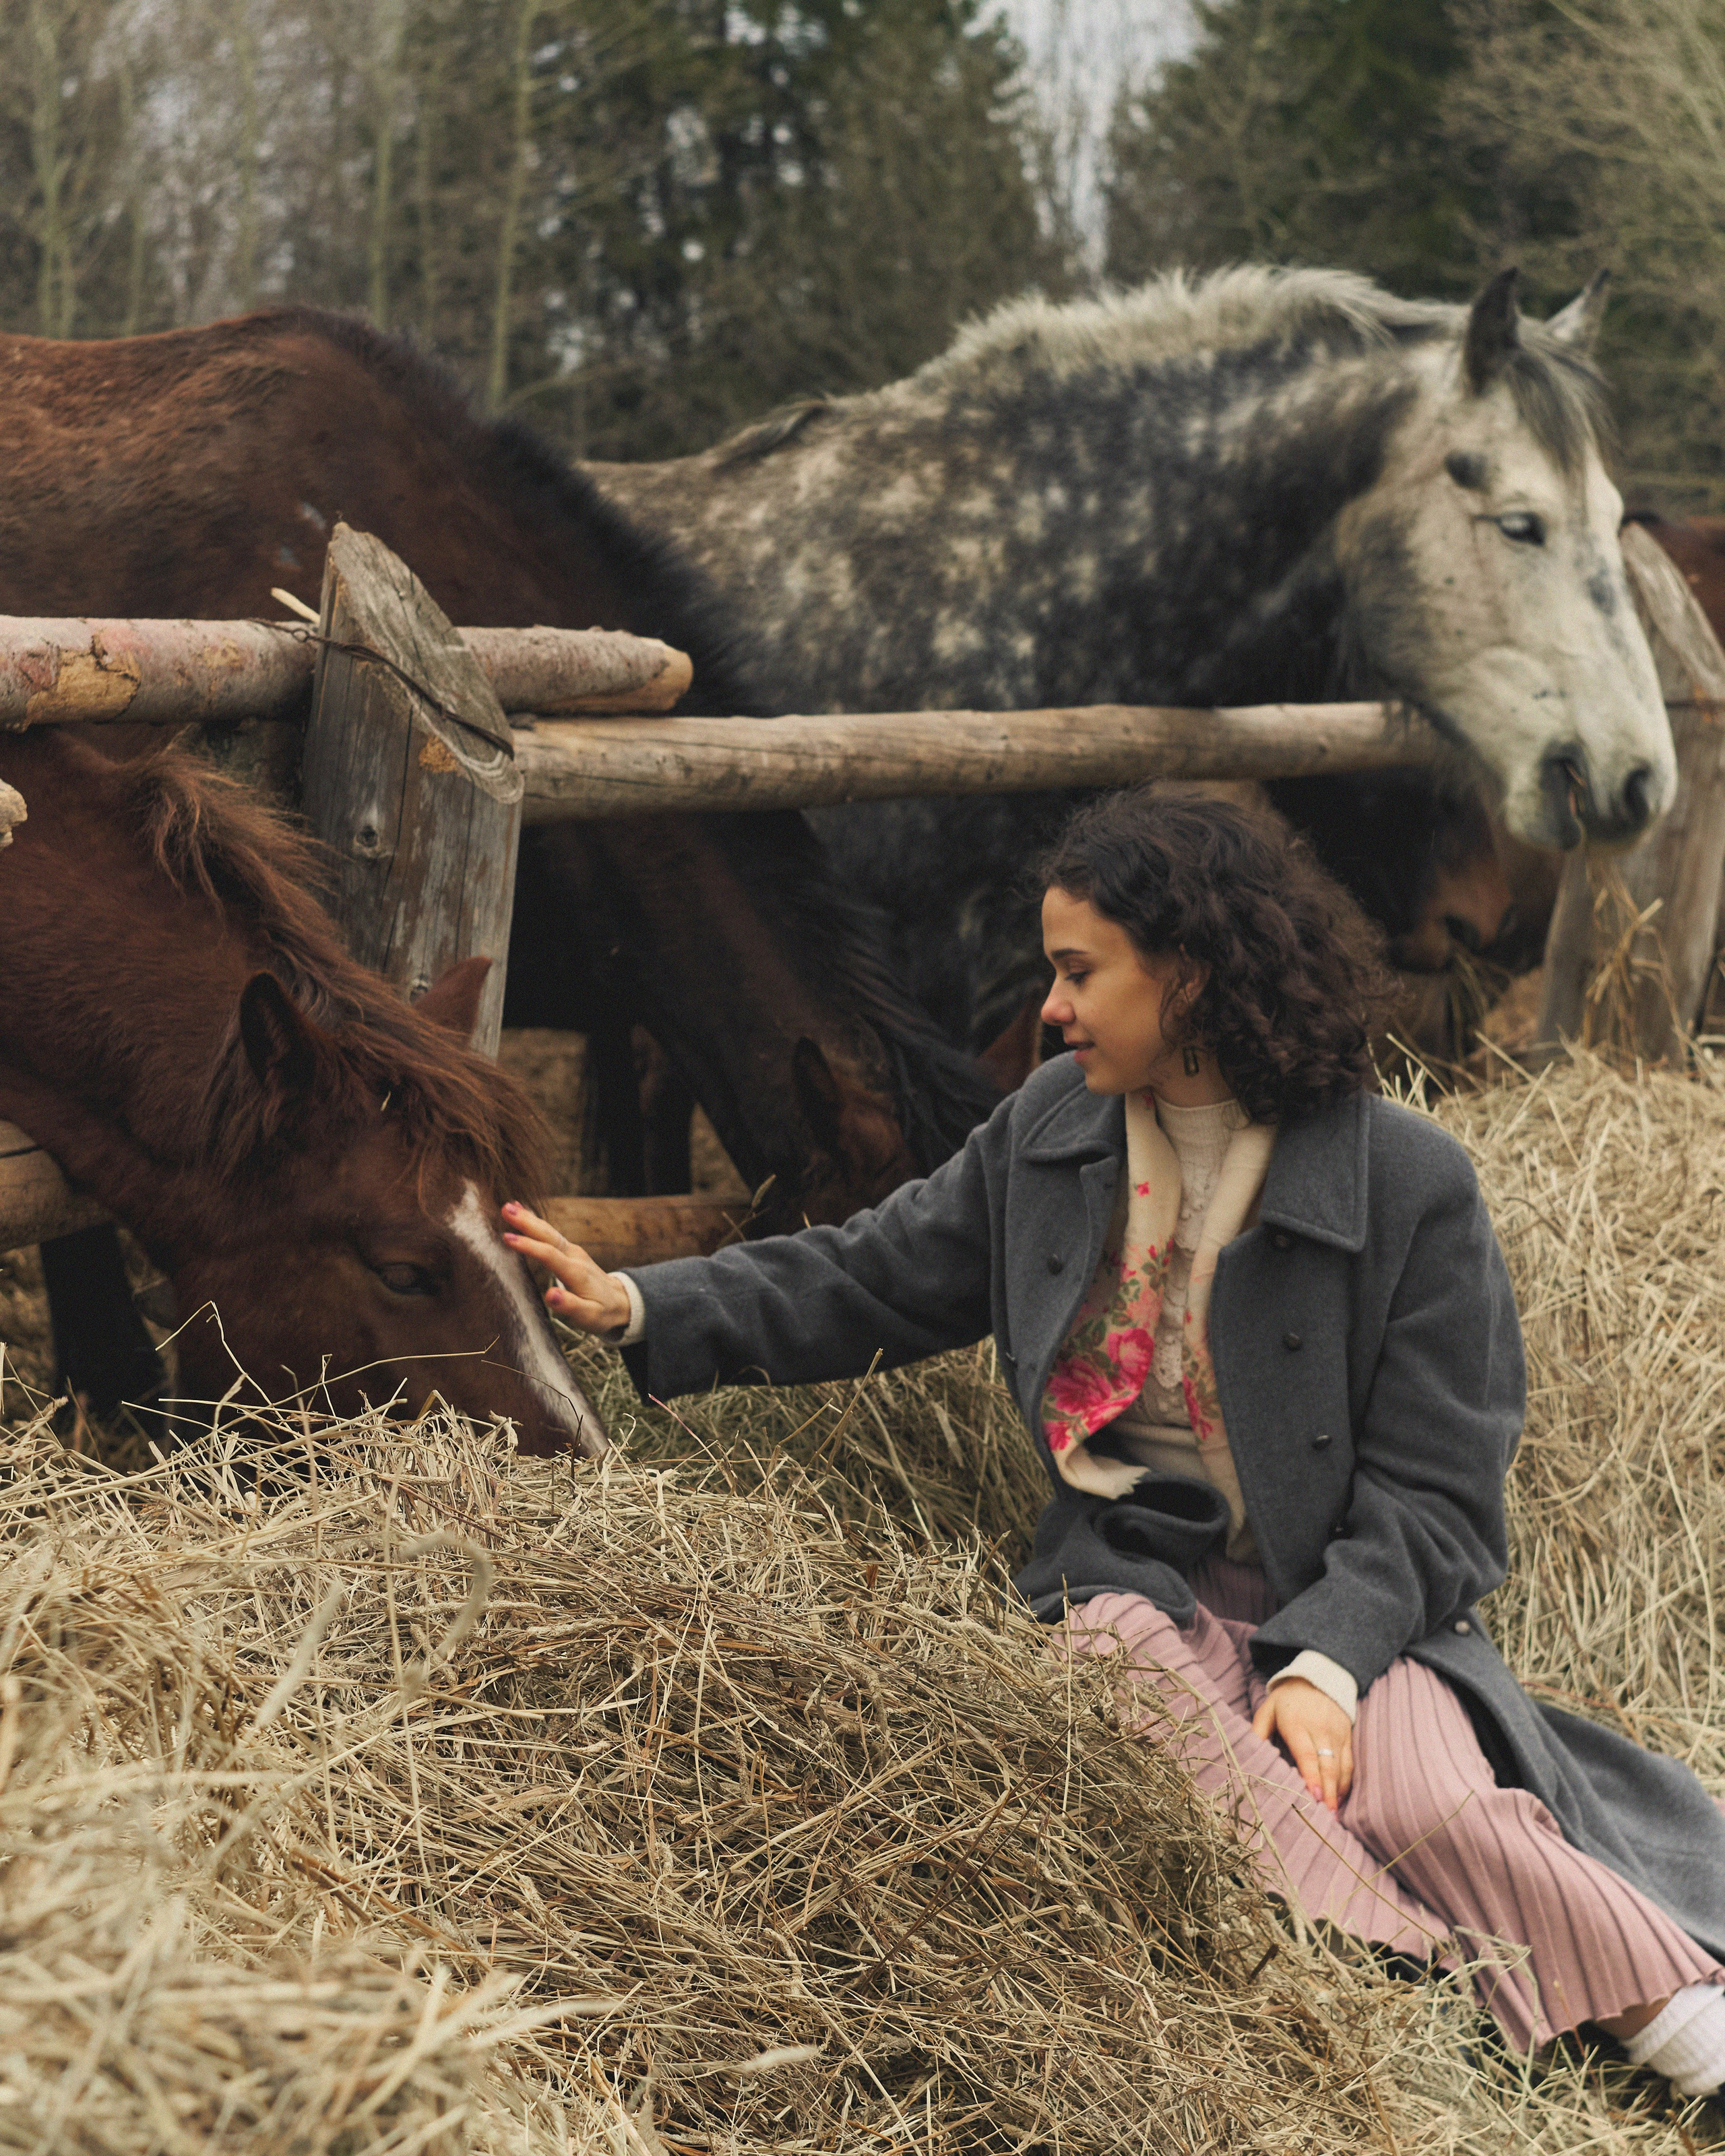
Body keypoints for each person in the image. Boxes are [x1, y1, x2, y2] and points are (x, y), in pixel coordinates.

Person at [503, 786, 1725, 2089]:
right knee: (1149, 1726)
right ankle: (1426, 2002)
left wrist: (1324, 1666)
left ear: (1188, 973)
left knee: (1426, 1801)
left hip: (1355, 1595)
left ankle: (1682, 2030)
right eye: (1053, 974)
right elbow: (869, 1274)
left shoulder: (1408, 1181)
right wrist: (643, 1303)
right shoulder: (1045, 1136)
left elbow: (1440, 1494)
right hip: (1136, 1581)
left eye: (1080, 972)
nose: (1050, 1008)